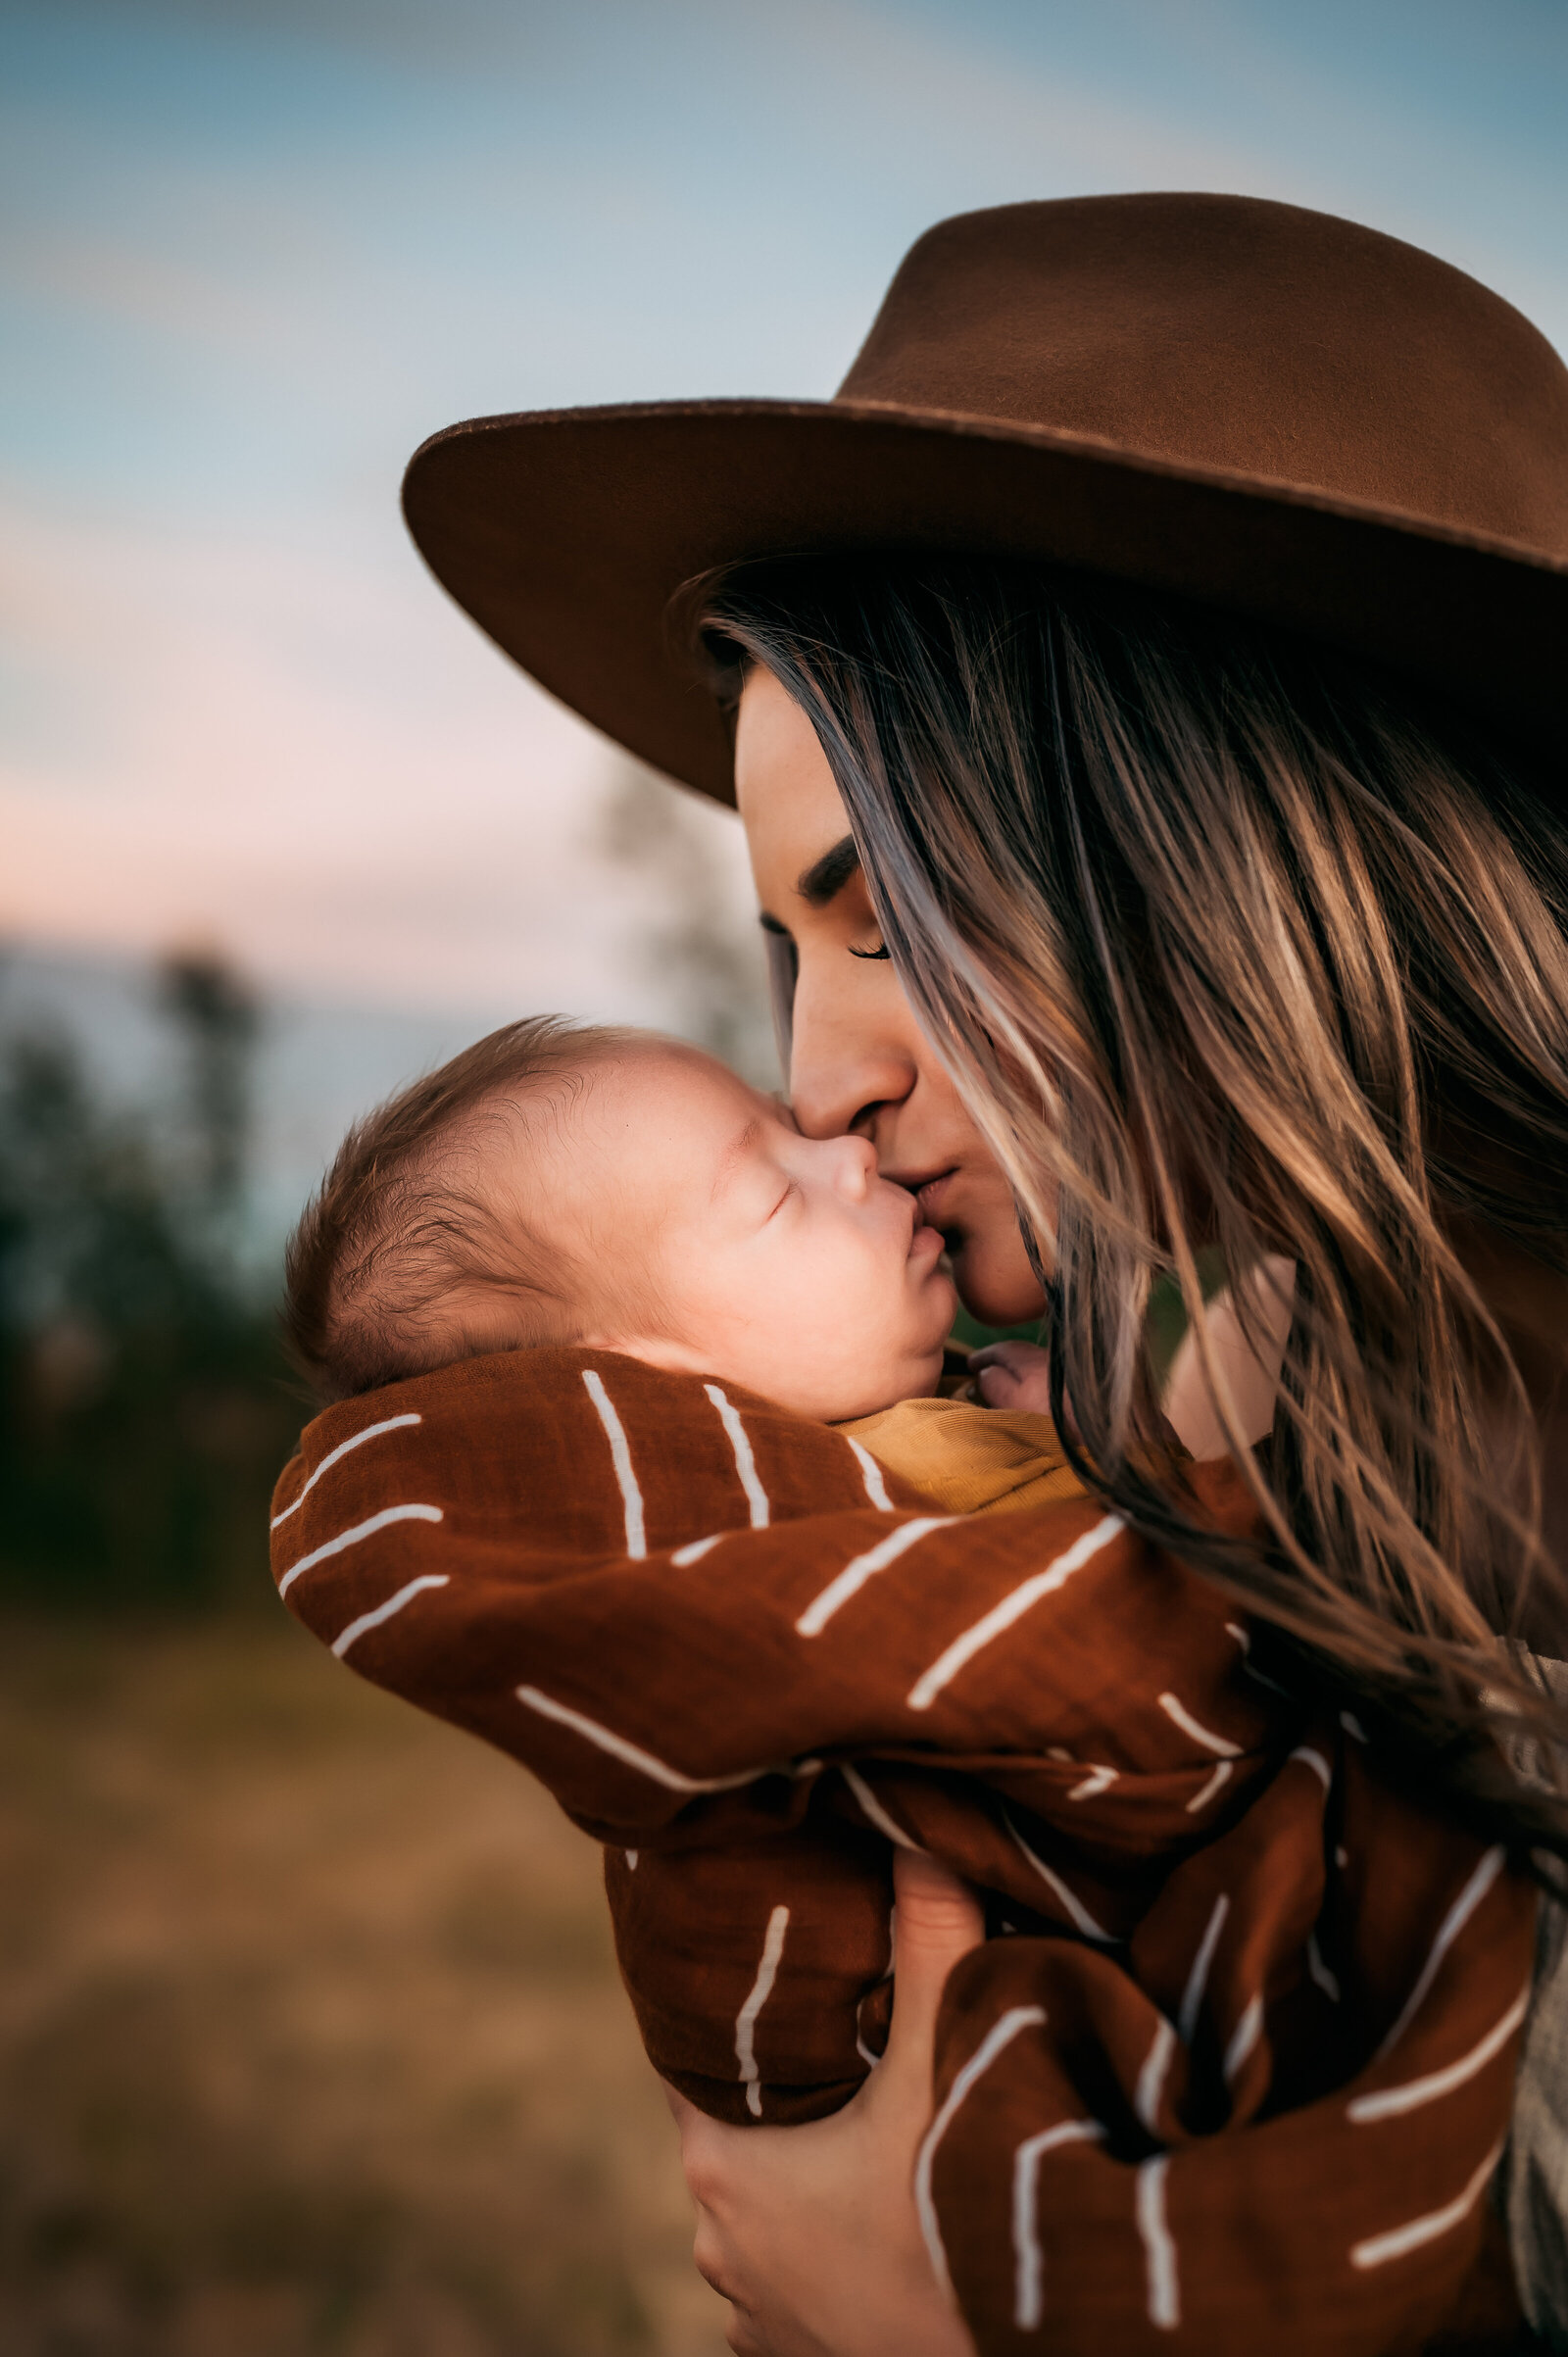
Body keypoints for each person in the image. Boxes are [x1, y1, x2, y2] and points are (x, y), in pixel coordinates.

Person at [381, 193, 1568, 2348]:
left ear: (1215, 821)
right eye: (783, 951)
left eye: (891, 915)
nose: (815, 1085)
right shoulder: (1239, 1461)